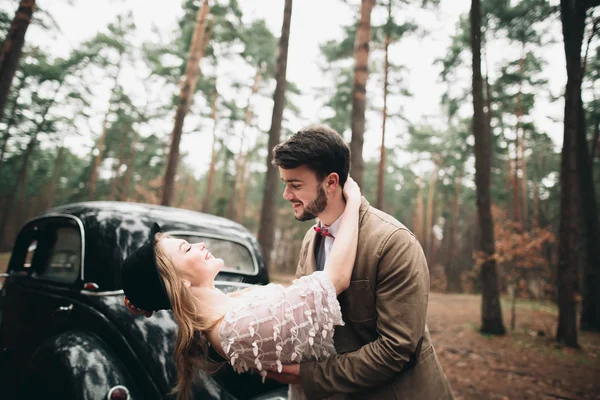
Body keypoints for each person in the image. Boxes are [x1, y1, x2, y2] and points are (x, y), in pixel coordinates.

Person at [120, 178, 363, 400]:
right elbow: (336, 279)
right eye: (186, 249)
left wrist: (142, 298)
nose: (200, 245)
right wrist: (352, 200)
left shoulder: (225, 308)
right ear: (179, 281)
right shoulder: (237, 328)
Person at [265, 125, 455, 399]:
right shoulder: (311, 239)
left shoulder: (393, 243)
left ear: (331, 182)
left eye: (295, 184)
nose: (287, 195)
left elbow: (396, 350)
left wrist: (307, 374)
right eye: (285, 184)